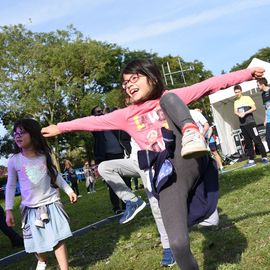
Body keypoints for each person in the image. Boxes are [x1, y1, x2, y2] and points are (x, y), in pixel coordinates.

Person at [41, 59, 264, 270]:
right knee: (177, 243)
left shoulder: (171, 98)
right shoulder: (126, 115)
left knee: (169, 99)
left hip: (189, 155)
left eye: (134, 78)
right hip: (167, 173)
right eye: (125, 83)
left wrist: (246, 74)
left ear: (152, 77)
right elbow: (93, 122)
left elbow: (209, 85)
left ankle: (190, 132)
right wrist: (61, 127)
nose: (129, 85)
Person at [5, 118, 77, 270]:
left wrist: (69, 190)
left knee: (58, 239)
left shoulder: (44, 155)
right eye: (15, 133)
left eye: (22, 132)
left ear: (33, 134)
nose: (17, 136)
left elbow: (55, 175)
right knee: (37, 244)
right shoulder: (14, 161)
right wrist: (9, 209)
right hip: (30, 209)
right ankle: (42, 261)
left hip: (51, 203)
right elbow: (10, 186)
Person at [98, 138, 175, 267]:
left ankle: (169, 248)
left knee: (156, 206)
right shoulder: (121, 122)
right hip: (134, 160)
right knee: (104, 167)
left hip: (151, 160)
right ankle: (133, 201)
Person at [91, 106, 132, 214]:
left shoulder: (111, 124)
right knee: (113, 183)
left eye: (101, 111)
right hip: (107, 158)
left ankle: (128, 204)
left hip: (120, 155)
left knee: (125, 181)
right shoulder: (96, 127)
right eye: (97, 112)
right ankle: (116, 208)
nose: (100, 113)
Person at [233, 84, 268, 168]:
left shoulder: (247, 98)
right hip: (242, 125)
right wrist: (239, 114)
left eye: (238, 92)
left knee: (257, 140)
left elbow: (254, 108)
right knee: (248, 143)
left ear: (241, 91)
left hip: (251, 123)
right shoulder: (235, 101)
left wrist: (245, 113)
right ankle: (251, 160)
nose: (237, 93)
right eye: (235, 92)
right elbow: (235, 111)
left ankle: (264, 157)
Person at [191, 108, 224, 173]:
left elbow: (210, 128)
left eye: (198, 110)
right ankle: (213, 169)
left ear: (201, 111)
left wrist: (208, 137)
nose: (197, 112)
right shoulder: (194, 119)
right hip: (201, 138)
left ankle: (221, 167)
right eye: (196, 111)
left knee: (214, 152)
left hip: (209, 137)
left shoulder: (205, 118)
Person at [257, 77, 270, 151]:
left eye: (258, 85)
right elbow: (265, 107)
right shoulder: (262, 94)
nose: (257, 87)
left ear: (262, 84)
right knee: (268, 139)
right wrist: (265, 119)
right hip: (268, 120)